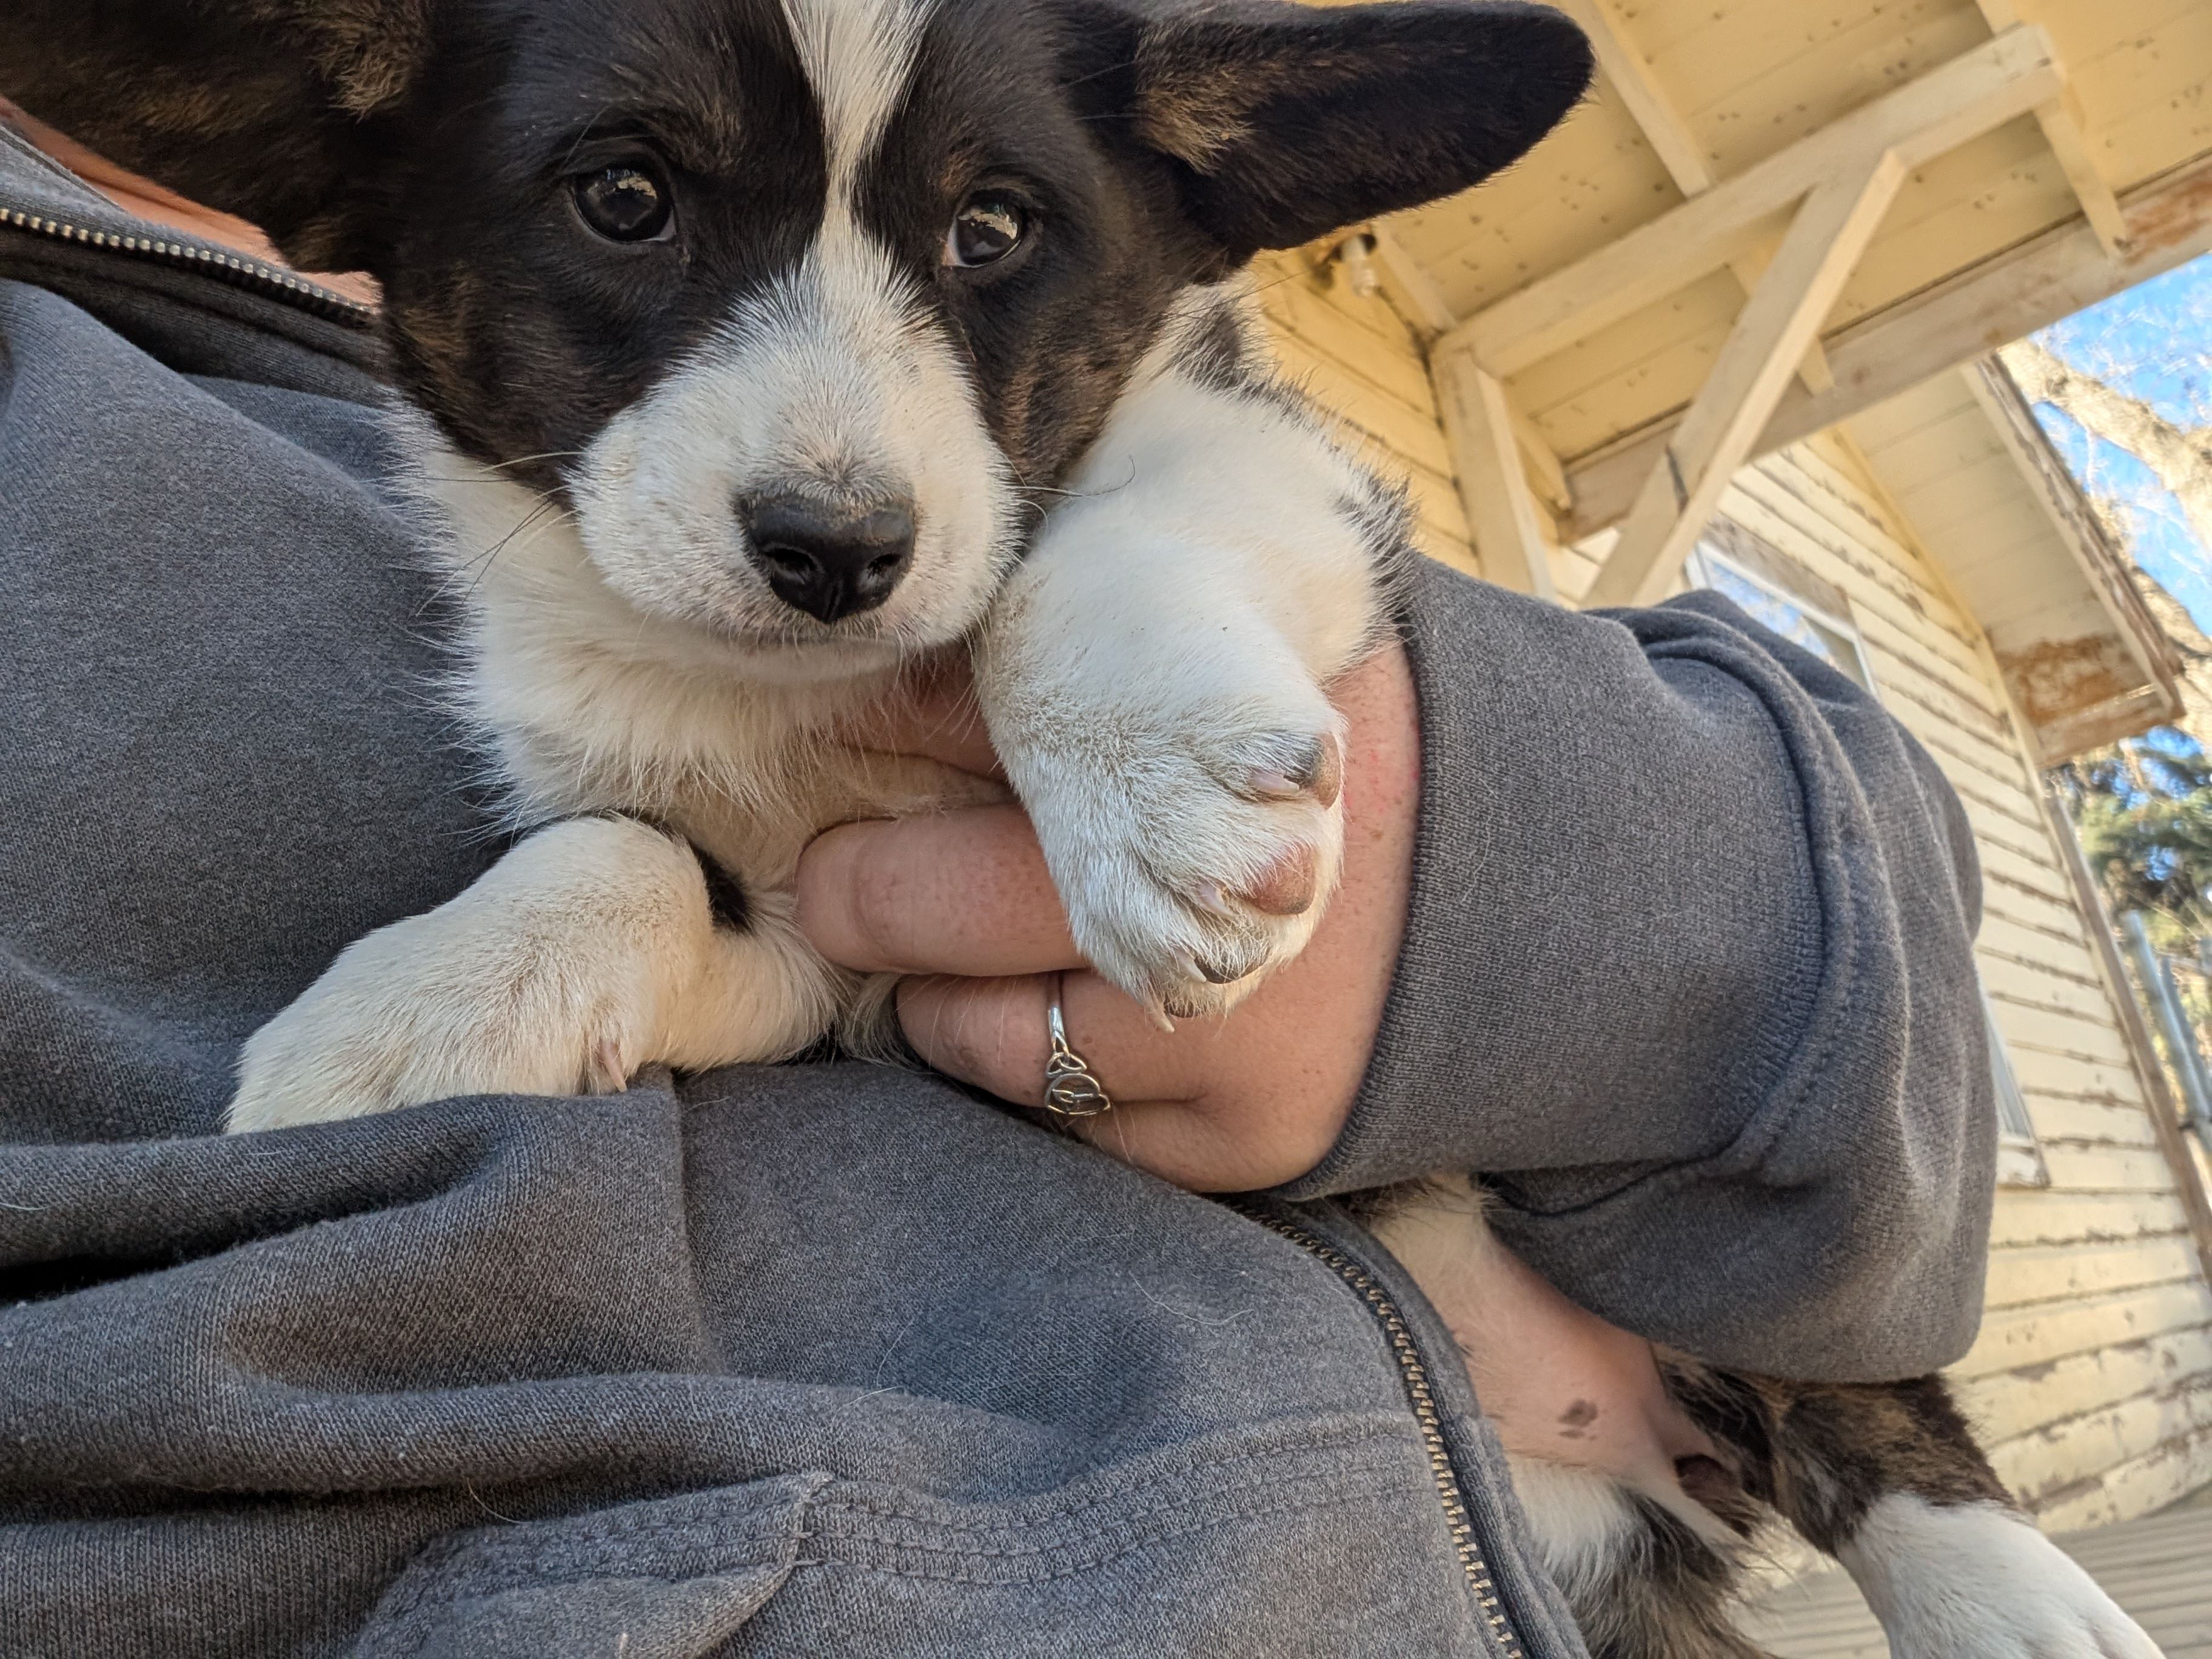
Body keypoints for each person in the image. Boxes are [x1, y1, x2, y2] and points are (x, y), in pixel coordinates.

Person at [0, 107, 1996, 1657]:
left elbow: (1859, 893)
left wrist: (1504, 865)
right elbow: (779, 939)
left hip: (1632, 1340)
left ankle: (1932, 1511)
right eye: (624, 206)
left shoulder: (1097, 399)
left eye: (986, 237)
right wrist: (597, 906)